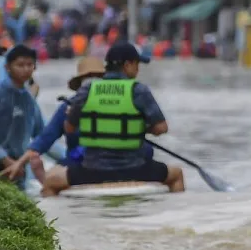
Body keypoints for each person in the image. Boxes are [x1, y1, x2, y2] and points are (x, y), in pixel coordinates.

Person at [45, 41, 185, 194]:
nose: (138, 70)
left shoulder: (87, 89)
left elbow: (69, 128)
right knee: (177, 174)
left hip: (91, 170)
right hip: (135, 169)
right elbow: (161, 128)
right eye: (136, 64)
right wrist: (139, 128)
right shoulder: (139, 90)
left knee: (50, 181)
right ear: (127, 65)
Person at [2, 56, 116, 182]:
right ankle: (47, 184)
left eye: (97, 76)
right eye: (88, 77)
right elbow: (45, 138)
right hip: (78, 163)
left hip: (114, 162)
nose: (93, 81)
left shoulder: (117, 104)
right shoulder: (68, 107)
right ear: (80, 84)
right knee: (45, 173)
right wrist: (19, 162)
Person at [0, 45, 45, 183]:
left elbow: (42, 134)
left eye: (30, 65)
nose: (26, 69)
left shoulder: (29, 99)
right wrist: (3, 158)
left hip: (18, 169)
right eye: (20, 65)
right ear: (7, 68)